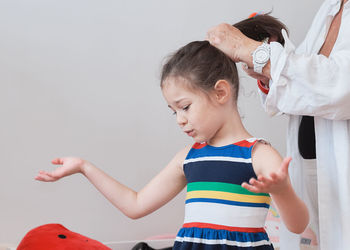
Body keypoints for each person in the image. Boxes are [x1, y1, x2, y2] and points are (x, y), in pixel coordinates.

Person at [35, 29, 309, 250]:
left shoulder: (258, 155)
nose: (179, 119)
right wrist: (85, 167)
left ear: (221, 92)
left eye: (185, 107)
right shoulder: (187, 158)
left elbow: (298, 225)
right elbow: (135, 204)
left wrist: (282, 190)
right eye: (173, 111)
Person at [206, 1, 350, 249]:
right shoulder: (332, 6)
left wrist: (250, 49)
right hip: (317, 170)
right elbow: (307, 84)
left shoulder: (263, 157)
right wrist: (267, 71)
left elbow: (340, 87)